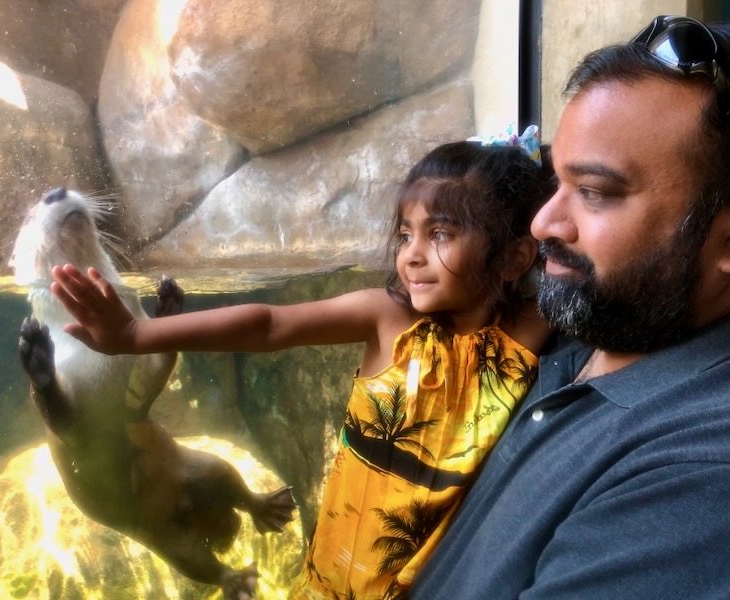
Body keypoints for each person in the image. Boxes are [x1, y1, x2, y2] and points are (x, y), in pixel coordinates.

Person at [49, 139, 554, 599]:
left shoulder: (523, 332)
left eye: (439, 233)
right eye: (405, 235)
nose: (412, 255)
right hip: (330, 584)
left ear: (514, 258)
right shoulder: (389, 321)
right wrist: (137, 337)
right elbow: (269, 325)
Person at [408, 15, 730, 599]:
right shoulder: (593, 322)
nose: (543, 223)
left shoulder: (703, 472)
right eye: (556, 182)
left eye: (596, 192)